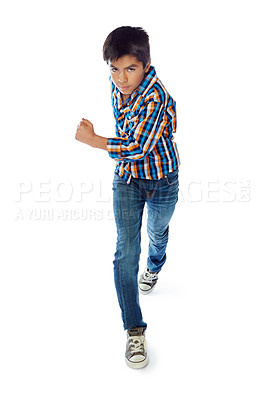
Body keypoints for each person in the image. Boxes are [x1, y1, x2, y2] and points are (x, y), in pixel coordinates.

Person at [75, 26, 180, 369]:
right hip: (127, 180)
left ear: (146, 65)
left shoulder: (156, 97)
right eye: (115, 69)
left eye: (130, 69)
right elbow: (129, 141)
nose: (121, 77)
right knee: (125, 252)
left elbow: (136, 146)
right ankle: (134, 330)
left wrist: (94, 141)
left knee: (158, 232)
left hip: (162, 180)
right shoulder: (117, 84)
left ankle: (155, 265)